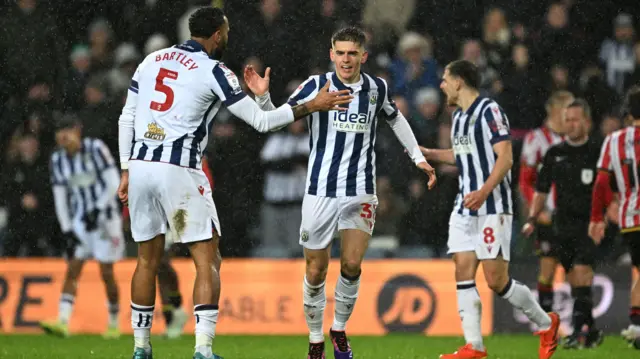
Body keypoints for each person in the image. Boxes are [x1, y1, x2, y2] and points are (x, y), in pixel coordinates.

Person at [117, 7, 353, 359]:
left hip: (140, 167)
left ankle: (140, 348)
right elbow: (261, 122)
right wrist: (311, 105)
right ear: (216, 35)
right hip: (179, 169)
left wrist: (125, 169)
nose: (227, 37)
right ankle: (203, 349)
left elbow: (128, 117)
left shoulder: (150, 60)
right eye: (226, 32)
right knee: (207, 258)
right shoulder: (215, 70)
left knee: (146, 260)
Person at [243, 26, 436, 359]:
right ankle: (315, 338)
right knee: (316, 271)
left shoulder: (376, 88)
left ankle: (339, 330)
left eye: (352, 53)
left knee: (350, 265)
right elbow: (275, 120)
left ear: (364, 56)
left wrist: (418, 157)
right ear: (332, 55)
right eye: (341, 53)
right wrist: (262, 97)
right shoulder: (316, 86)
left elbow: (396, 119)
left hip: (361, 191)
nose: (346, 59)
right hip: (319, 192)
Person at [418, 60, 559, 359]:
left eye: (445, 79)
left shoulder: (489, 111)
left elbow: (505, 157)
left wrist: (483, 192)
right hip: (464, 206)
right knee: (463, 271)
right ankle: (475, 347)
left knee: (496, 280)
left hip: (492, 204)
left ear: (459, 81)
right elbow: (462, 155)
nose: (441, 85)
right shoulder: (457, 118)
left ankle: (546, 323)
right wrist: (430, 154)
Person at [522, 99, 604, 348]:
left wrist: (610, 212)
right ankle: (589, 331)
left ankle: (580, 333)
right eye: (567, 120)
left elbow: (611, 187)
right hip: (562, 225)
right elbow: (541, 190)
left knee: (582, 273)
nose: (570, 124)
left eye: (575, 119)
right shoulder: (555, 153)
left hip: (590, 224)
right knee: (575, 279)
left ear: (587, 122)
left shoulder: (598, 151)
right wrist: (533, 218)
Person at [40, 114, 125, 339]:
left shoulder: (95, 148)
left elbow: (113, 181)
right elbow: (60, 197)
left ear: (78, 130)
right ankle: (63, 321)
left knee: (106, 272)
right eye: (59, 131)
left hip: (106, 219)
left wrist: (97, 208)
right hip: (80, 221)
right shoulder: (58, 160)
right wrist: (67, 228)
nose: (63, 135)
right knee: (73, 269)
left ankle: (114, 322)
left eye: (67, 129)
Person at [590, 85, 640, 347]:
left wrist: (597, 216)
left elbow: (600, 183)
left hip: (630, 220)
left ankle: (635, 325)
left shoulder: (614, 140)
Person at [519, 91, 573, 314]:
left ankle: (579, 324)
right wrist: (537, 210)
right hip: (548, 214)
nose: (571, 114)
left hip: (572, 213)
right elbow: (525, 181)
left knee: (576, 269)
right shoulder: (536, 139)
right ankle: (546, 321)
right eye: (567, 109)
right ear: (554, 110)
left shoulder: (573, 138)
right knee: (548, 268)